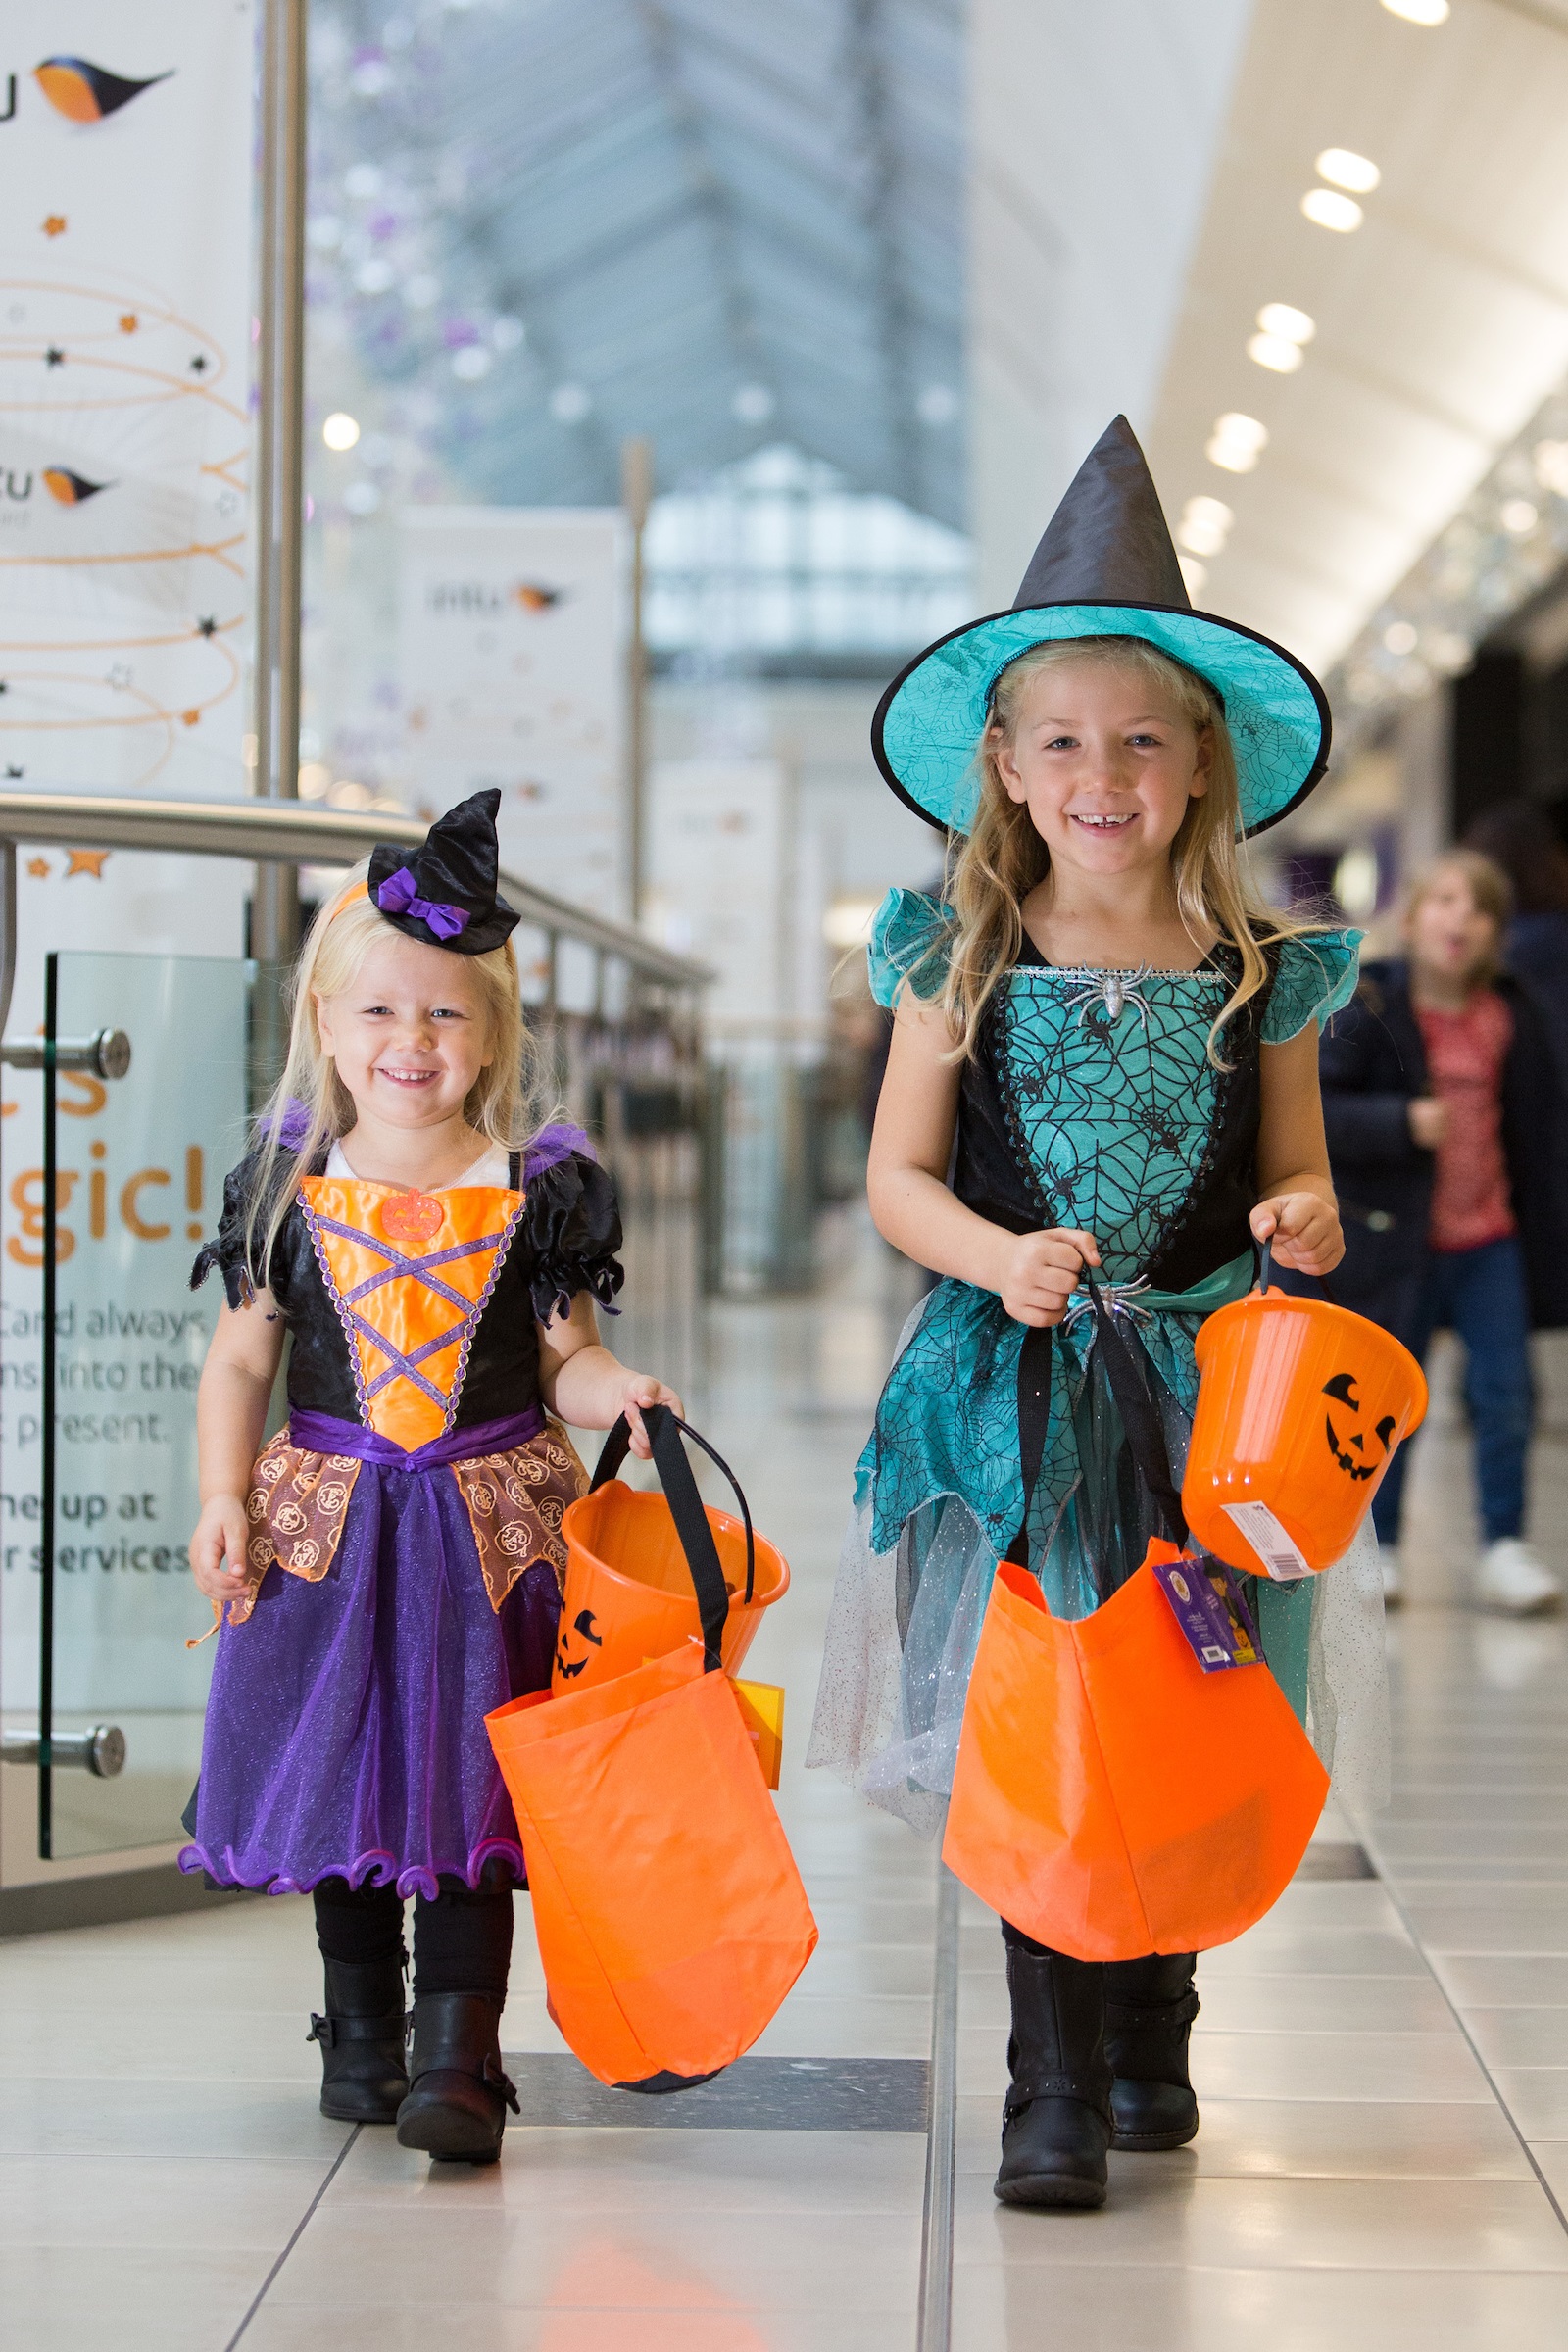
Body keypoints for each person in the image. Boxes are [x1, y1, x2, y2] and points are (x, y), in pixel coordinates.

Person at [808, 417, 1387, 2213]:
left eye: (1142, 738)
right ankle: (1046, 2068)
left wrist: (1300, 1219)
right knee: (1036, 1706)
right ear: (1000, 762)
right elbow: (901, 1180)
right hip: (1016, 1392)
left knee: (1192, 1686)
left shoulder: (1263, 975)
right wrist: (997, 1257)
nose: (1101, 771)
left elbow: (1303, 1191)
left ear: (1203, 766)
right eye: (1059, 739)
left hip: (1208, 1390)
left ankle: (1160, 2019)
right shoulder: (954, 958)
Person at [179, 791, 682, 2165]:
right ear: (328, 1029)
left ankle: (460, 2053)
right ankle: (362, 2027)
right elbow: (239, 1363)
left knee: (479, 1781)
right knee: (340, 1771)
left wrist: (617, 1392)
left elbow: (567, 1356)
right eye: (384, 1015)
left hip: (489, 1532)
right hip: (326, 1530)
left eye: (448, 1017)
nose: (414, 1043)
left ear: (494, 1036)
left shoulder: (539, 1188)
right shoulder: (285, 1185)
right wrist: (224, 1494)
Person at [1308, 849, 1567, 1613]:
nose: (1462, 919)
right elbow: (1315, 1114)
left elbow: (1540, 1129)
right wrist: (1401, 1122)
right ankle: (1379, 1545)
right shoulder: (1371, 1006)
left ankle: (1505, 1545)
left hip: (1488, 1235)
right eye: (1446, 901)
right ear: (1415, 917)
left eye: (1481, 907)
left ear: (1497, 933)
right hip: (1398, 1239)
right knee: (1391, 1400)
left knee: (1506, 1391)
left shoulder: (1511, 1013)